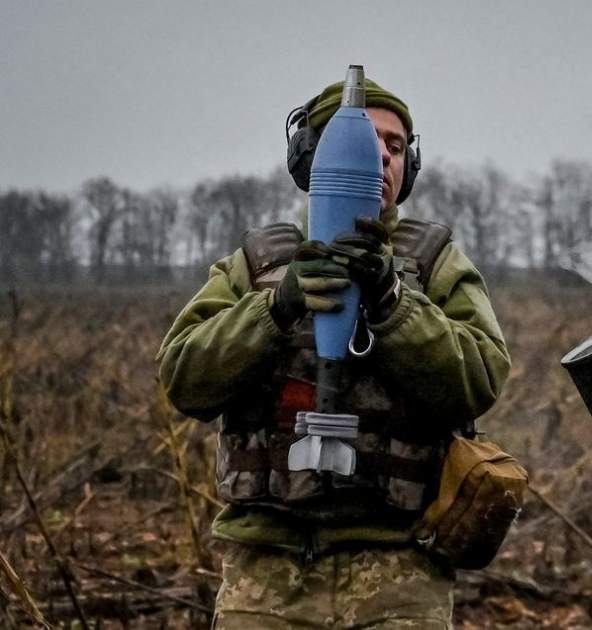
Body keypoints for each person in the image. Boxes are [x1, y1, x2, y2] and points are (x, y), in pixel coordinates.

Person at [157, 77, 510, 629]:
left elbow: (480, 380)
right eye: (368, 143)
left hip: (399, 575)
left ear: (409, 168)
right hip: (267, 576)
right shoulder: (255, 266)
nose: (382, 159)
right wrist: (275, 306)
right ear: (310, 157)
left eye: (396, 148)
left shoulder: (437, 264)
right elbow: (183, 377)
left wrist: (394, 304)